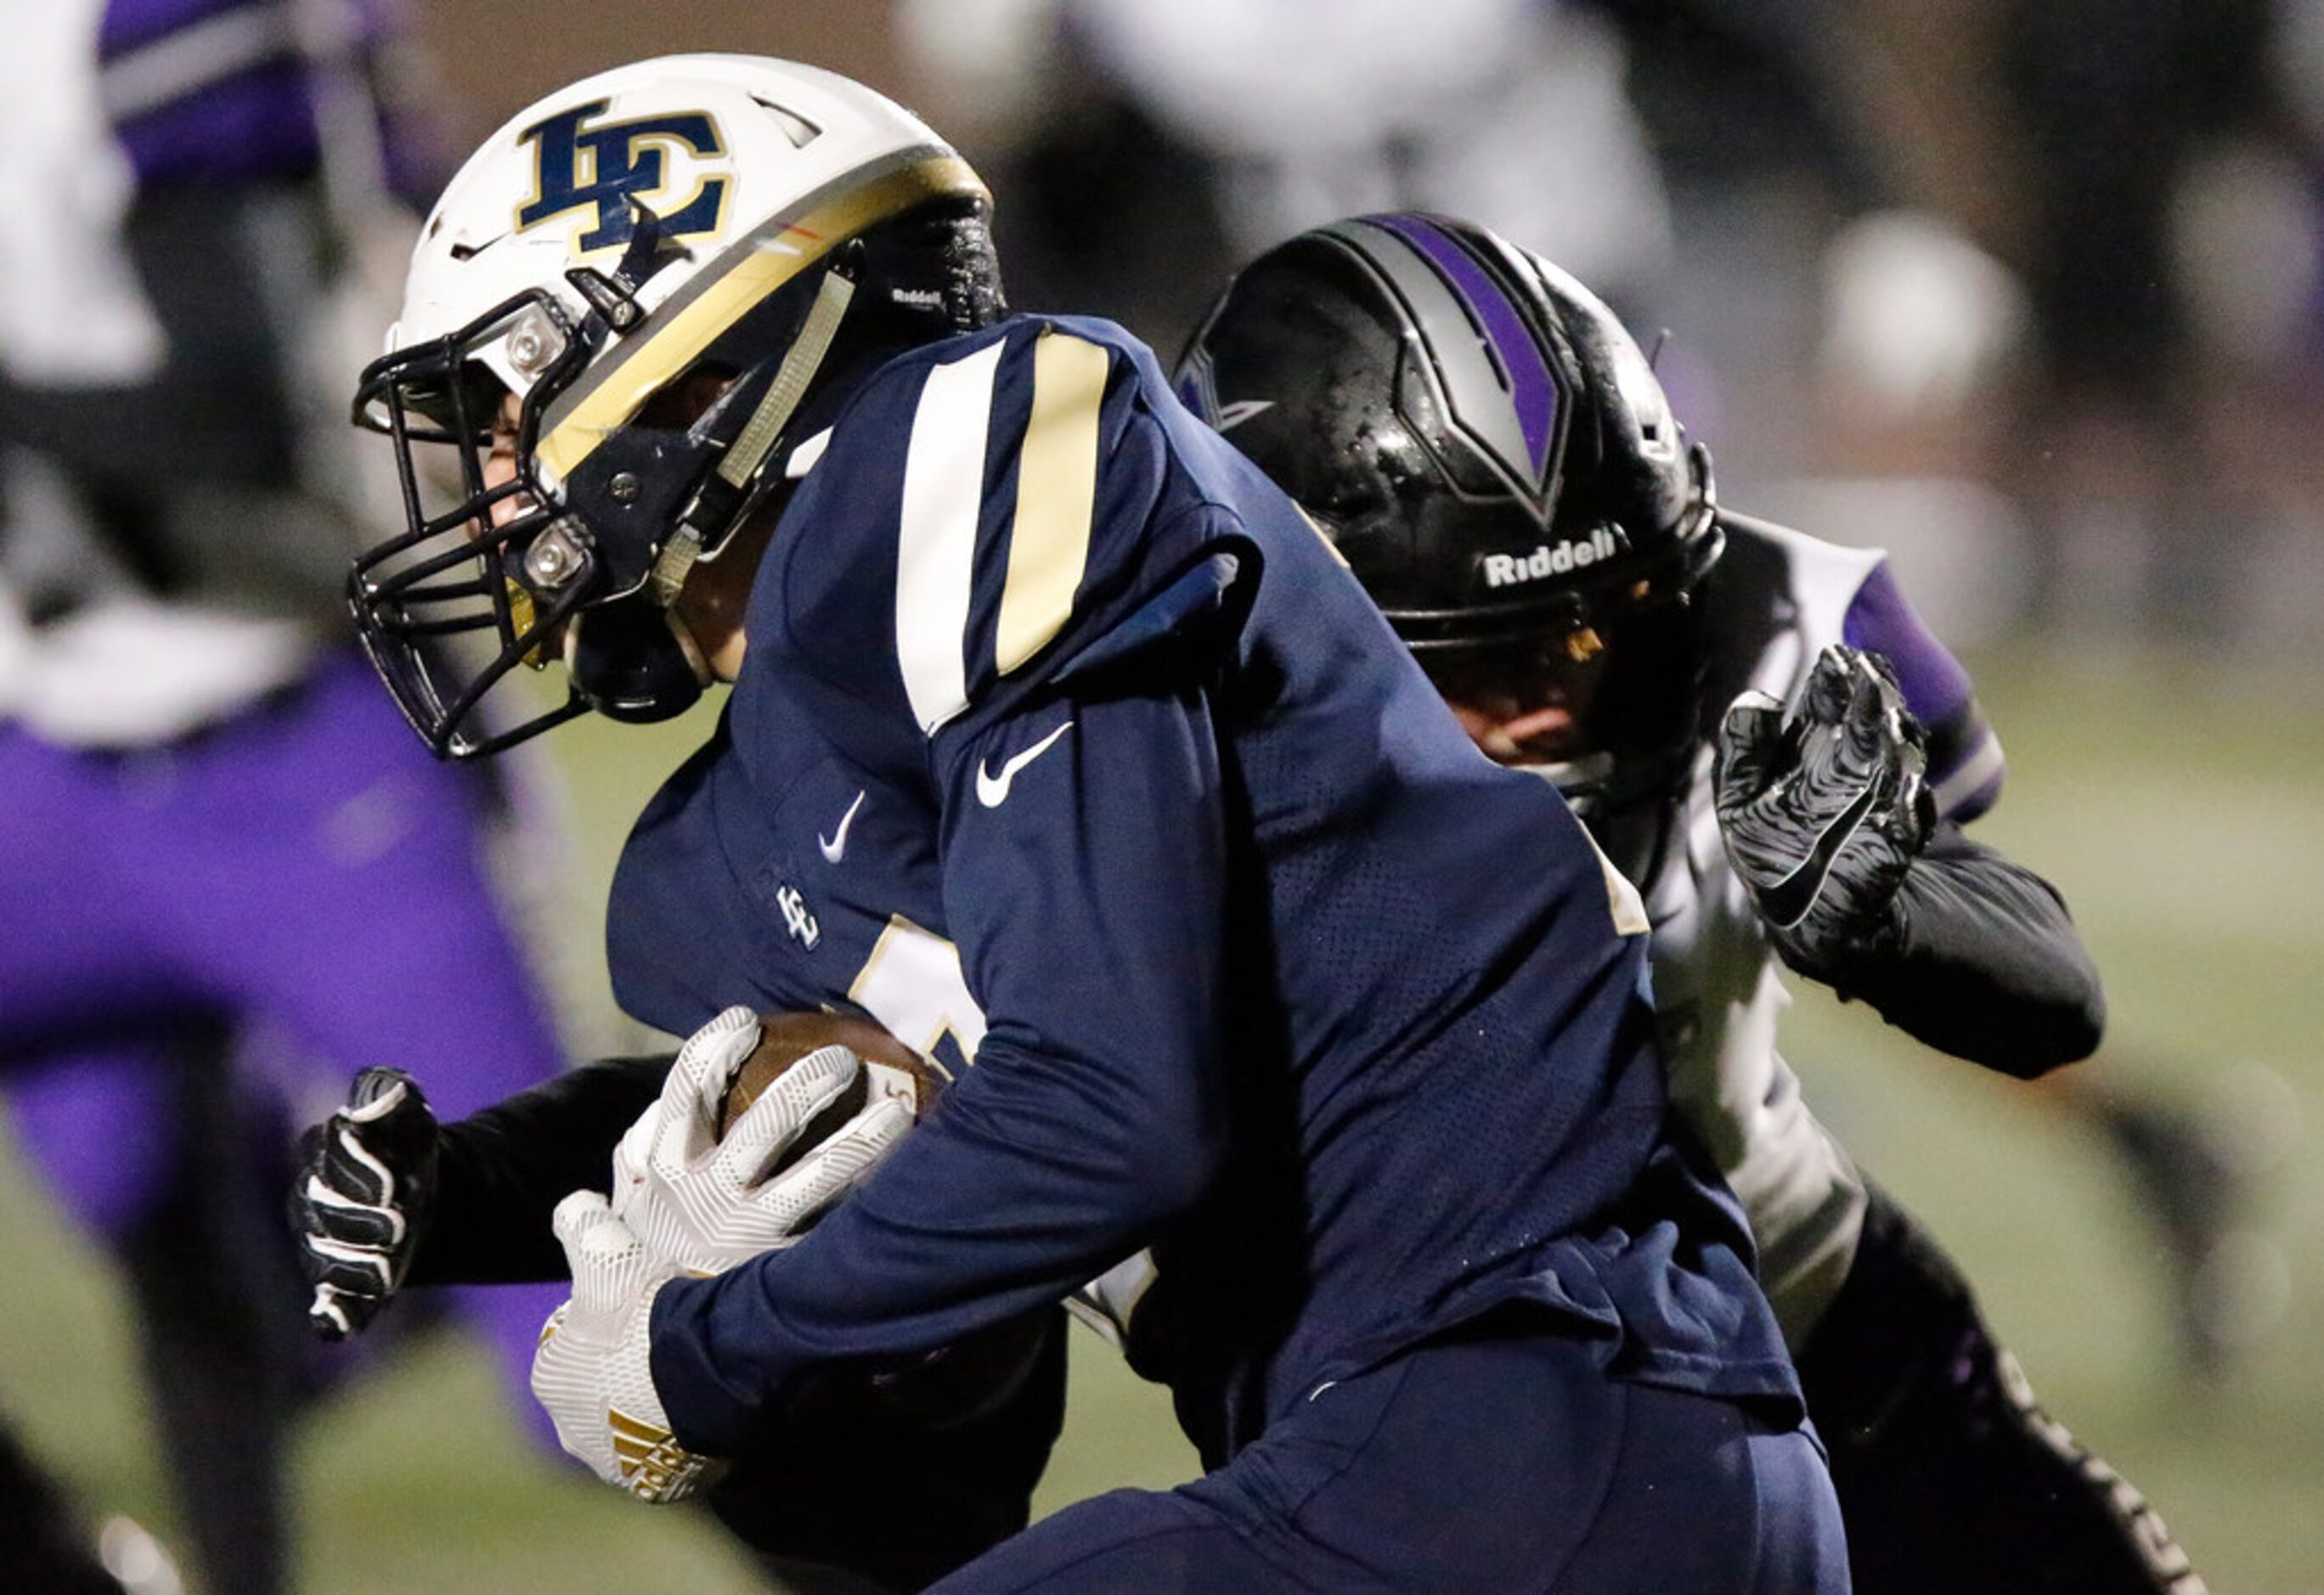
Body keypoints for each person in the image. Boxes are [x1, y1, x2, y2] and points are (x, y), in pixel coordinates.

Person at [293, 52, 1845, 1592]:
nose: (488, 487)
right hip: (1425, 1463)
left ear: (699, 373)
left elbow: (1111, 1100)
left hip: (1536, 1418)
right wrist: (479, 1196)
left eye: (508, 409)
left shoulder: (975, 446)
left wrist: (695, 1365)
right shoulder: (744, 830)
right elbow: (936, 1400)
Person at [1172, 211, 2208, 1594]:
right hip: (1412, 1435)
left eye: (1600, 625)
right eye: (1489, 660)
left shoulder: (1768, 616)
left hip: (1815, 1332)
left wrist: (1887, 906)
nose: (1561, 697)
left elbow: (2051, 994)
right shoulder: (1139, 753)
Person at [0, 2, 573, 1588]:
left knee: (598, 1359)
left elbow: (232, 427)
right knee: (174, 1239)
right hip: (48, 758)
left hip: (296, 724)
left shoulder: (153, 29)